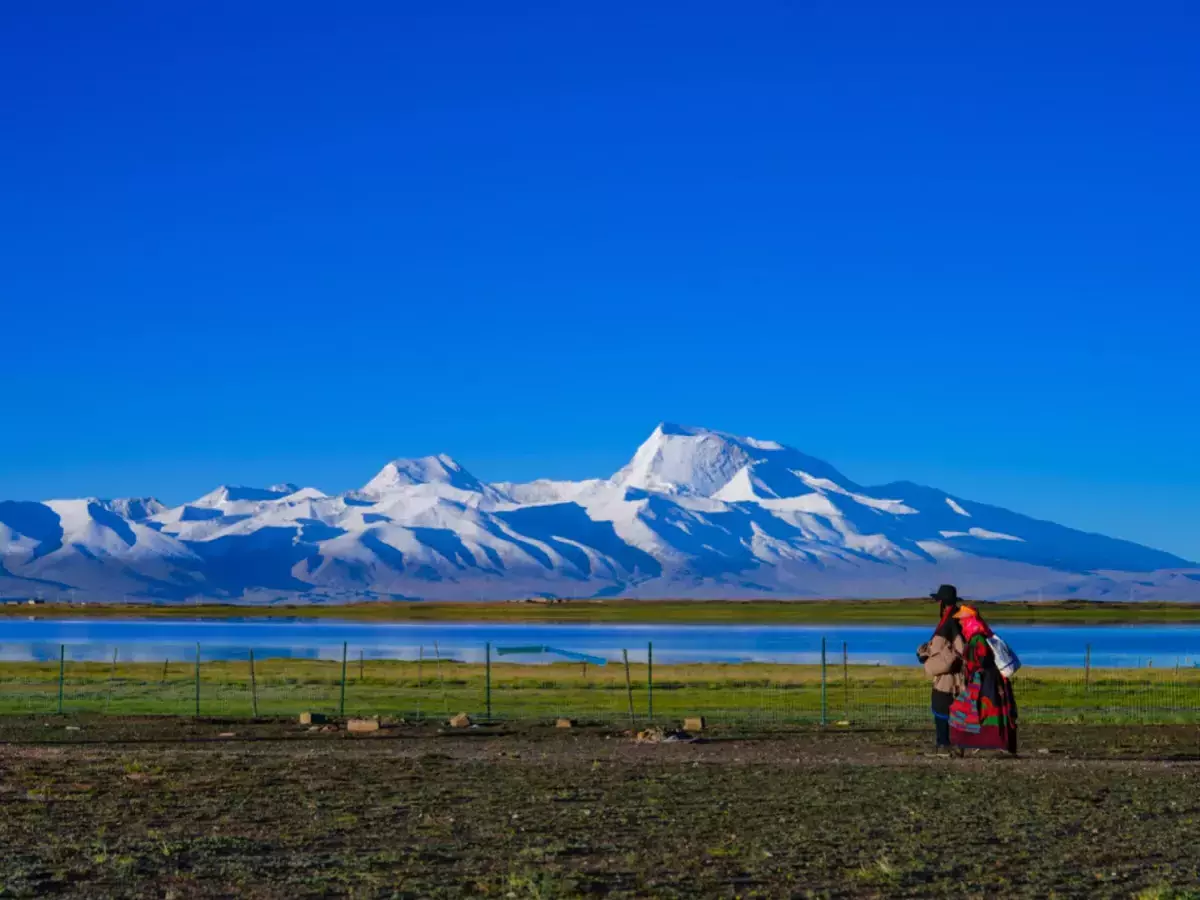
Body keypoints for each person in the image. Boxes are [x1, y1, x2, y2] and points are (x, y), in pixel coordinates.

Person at [948, 604, 1018, 755]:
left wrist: (968, 663)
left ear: (969, 620)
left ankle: (973, 742)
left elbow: (982, 658)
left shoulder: (977, 638)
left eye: (962, 620)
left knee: (972, 709)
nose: (960, 623)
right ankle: (992, 743)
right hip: (988, 680)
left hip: (985, 681)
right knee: (984, 709)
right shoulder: (982, 635)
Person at [917, 584, 965, 754]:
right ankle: (952, 743)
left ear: (942, 603)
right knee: (954, 706)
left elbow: (950, 650)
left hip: (950, 676)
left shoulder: (948, 624)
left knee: (941, 704)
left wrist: (926, 658)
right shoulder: (958, 620)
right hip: (957, 676)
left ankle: (945, 743)